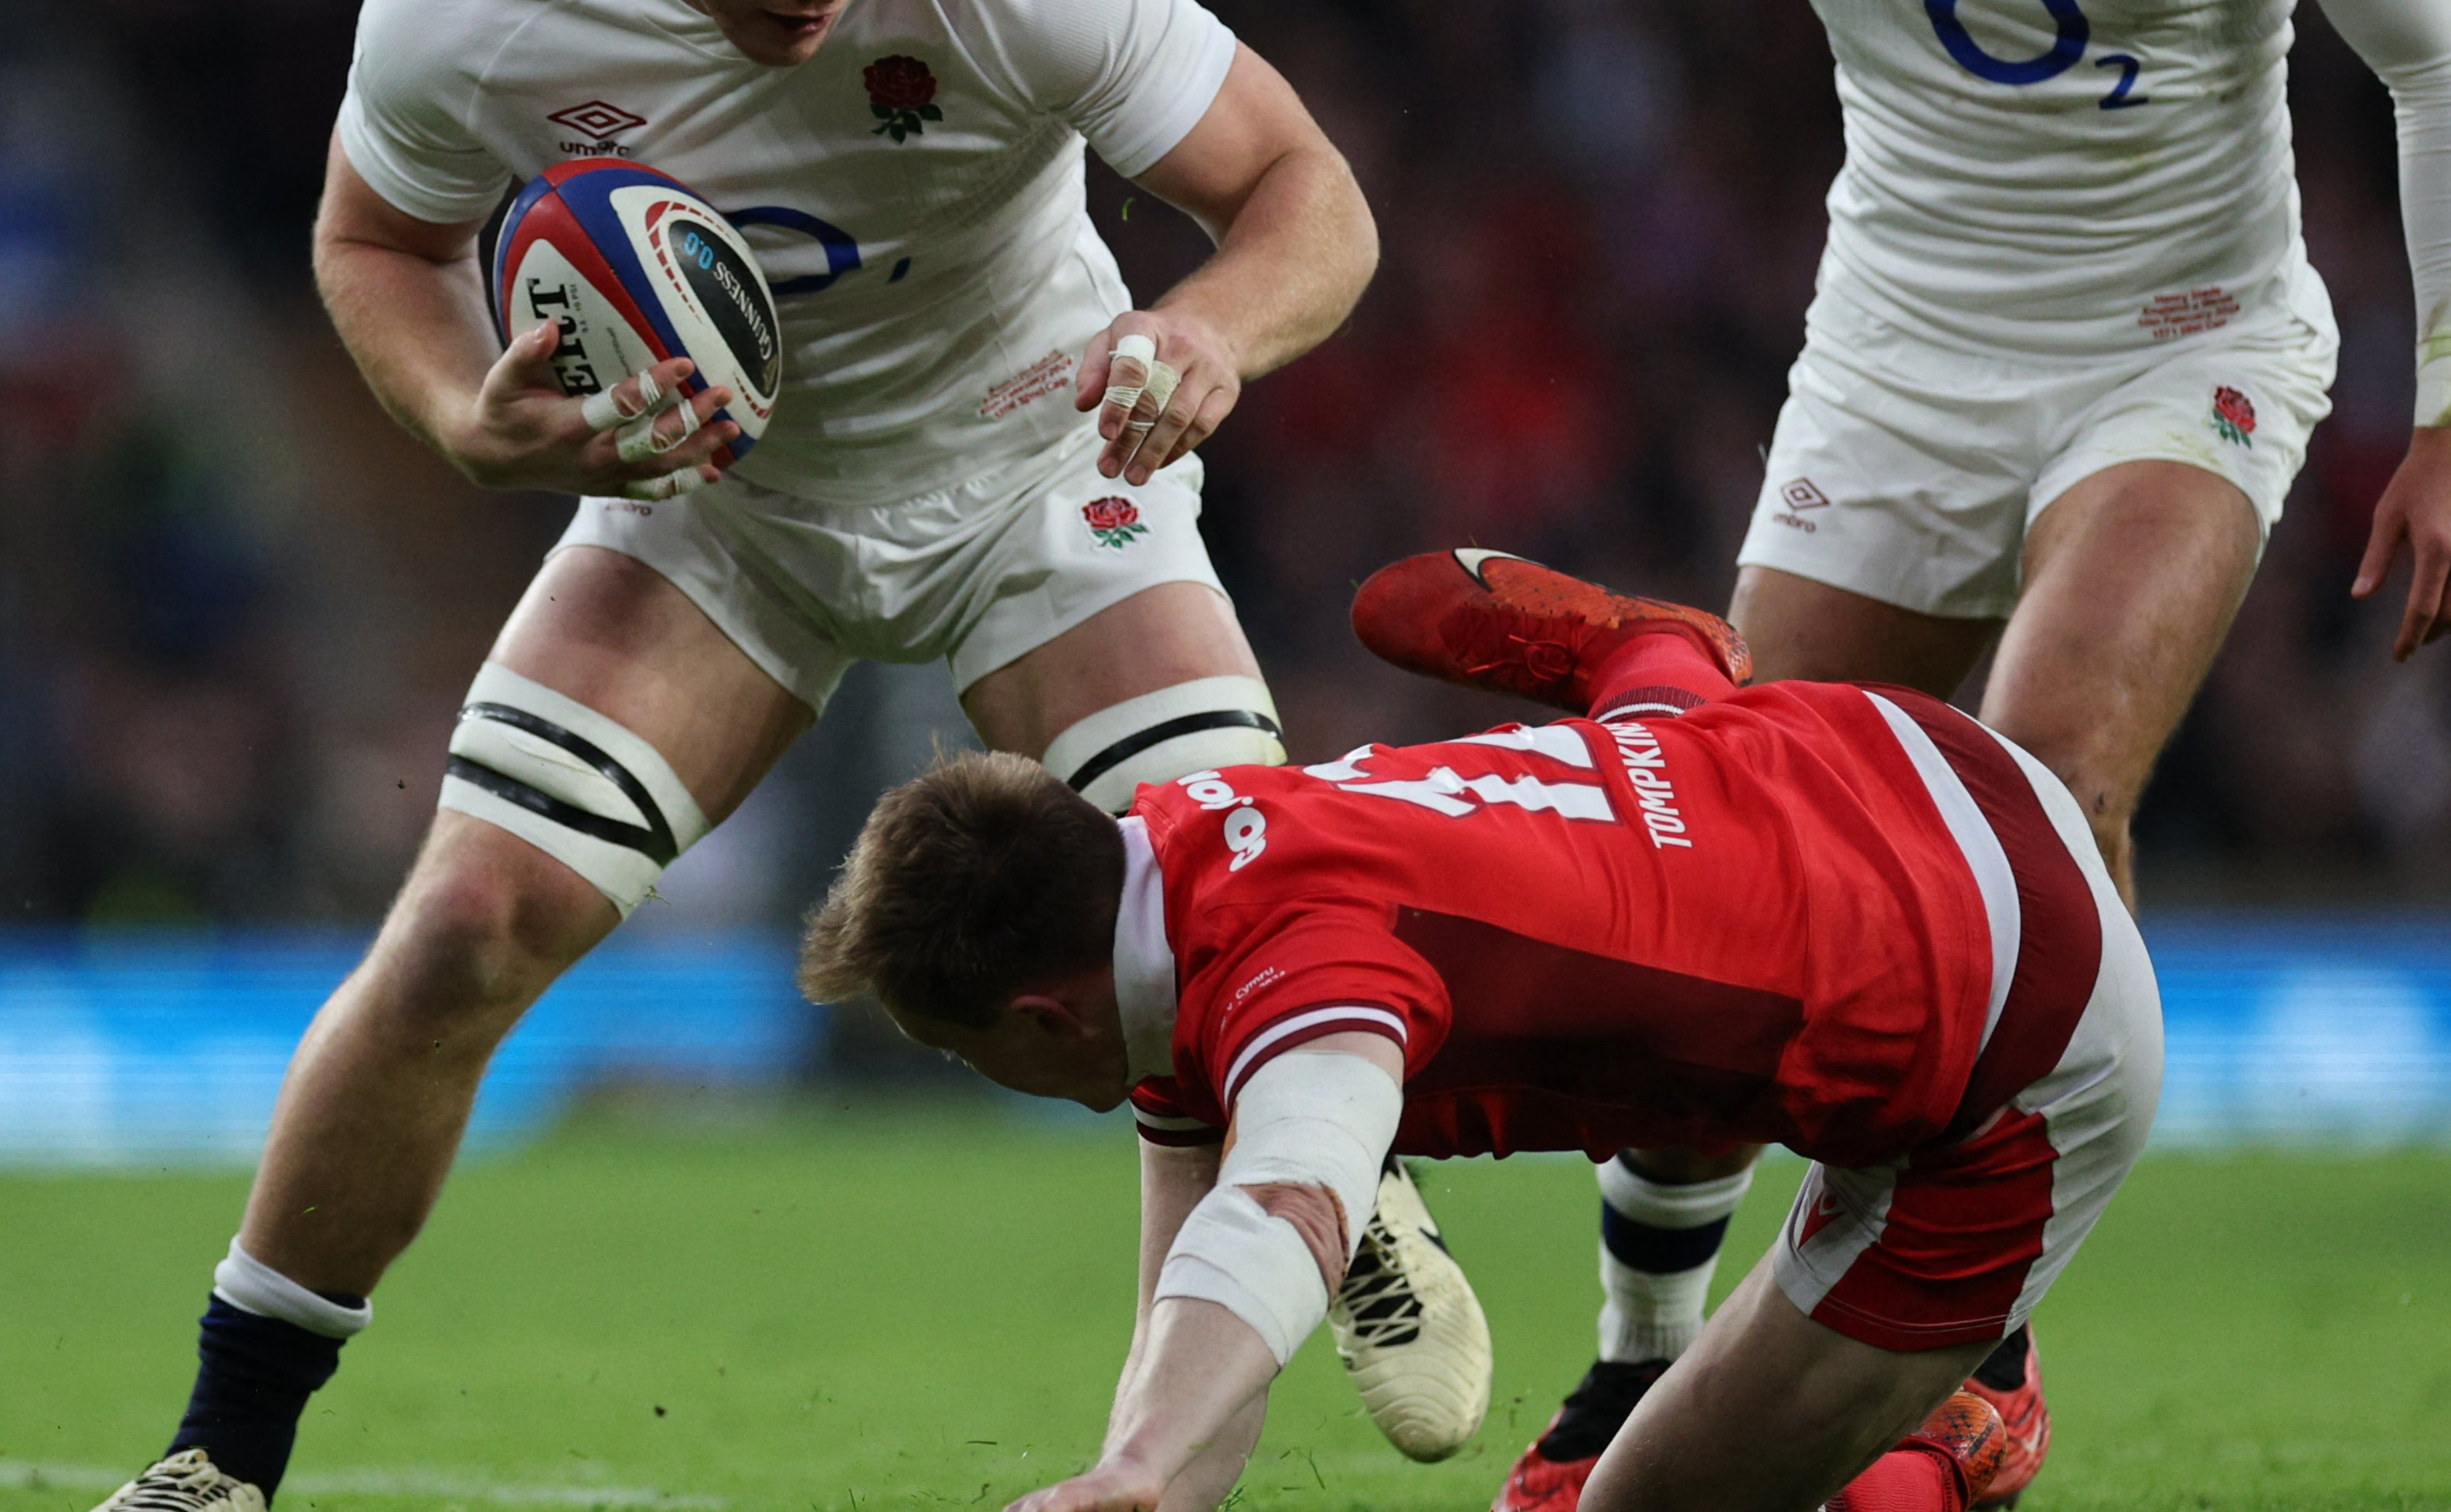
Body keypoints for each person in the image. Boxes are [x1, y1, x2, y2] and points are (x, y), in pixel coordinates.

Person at [920, 0, 2451, 1504]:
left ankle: (1970, 1348)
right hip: (1895, 358)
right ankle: (1646, 1354)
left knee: (2036, 793)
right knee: (1730, 865)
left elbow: (2430, 49)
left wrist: (2447, 397)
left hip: (2178, 341)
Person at [97, 0, 1441, 1512]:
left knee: (1205, 943)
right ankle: (213, 1463)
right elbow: (371, 240)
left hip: (1042, 467)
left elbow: (1305, 191)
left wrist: (1206, 329)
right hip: (716, 506)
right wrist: (457, 423)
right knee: (467, 927)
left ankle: (1178, 1450)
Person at [801, 545, 2159, 1512]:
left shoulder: (1297, 975)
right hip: (1895, 759)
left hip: (2021, 1040)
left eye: (971, 1055)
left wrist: (1134, 1467)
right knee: (1664, 913)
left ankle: (1964, 1418)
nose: (999, 1083)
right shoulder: (1175, 845)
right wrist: (1143, 1474)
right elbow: (1198, 1323)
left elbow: (1285, 1204)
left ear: (1042, 1016)